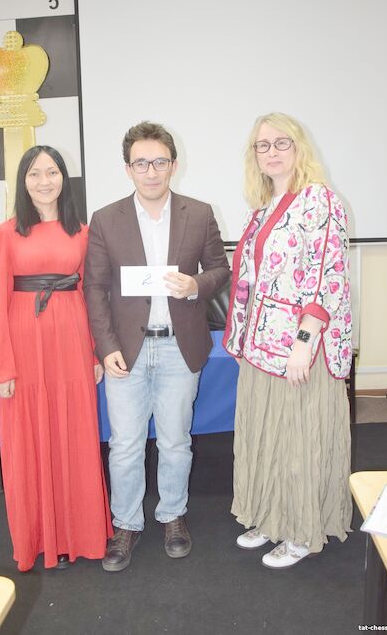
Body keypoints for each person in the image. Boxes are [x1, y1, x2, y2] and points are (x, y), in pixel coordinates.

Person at [84, 121, 230, 572]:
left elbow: (220, 269)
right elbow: (94, 287)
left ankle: (172, 515)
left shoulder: (199, 213)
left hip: (178, 348)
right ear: (128, 169)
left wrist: (195, 284)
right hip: (125, 351)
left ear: (173, 165)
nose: (151, 171)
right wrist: (105, 346)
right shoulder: (106, 219)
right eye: (141, 163)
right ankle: (126, 523)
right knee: (125, 445)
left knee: (175, 442)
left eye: (159, 162)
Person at [224, 112, 352, 569]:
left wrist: (304, 341)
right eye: (263, 145)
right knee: (267, 435)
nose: (272, 152)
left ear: (299, 148)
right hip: (261, 347)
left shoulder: (319, 200)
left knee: (299, 439)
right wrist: (240, 338)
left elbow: (327, 276)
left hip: (301, 351)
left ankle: (301, 530)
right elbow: (251, 280)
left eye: (282, 143)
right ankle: (270, 517)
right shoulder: (262, 209)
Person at [0, 145, 113, 572]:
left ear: (64, 178)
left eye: (52, 172)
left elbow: (92, 295)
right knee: (28, 439)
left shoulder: (83, 232)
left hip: (72, 343)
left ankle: (81, 535)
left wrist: (95, 352)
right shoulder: (4, 234)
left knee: (75, 434)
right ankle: (37, 537)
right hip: (24, 346)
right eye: (35, 174)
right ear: (23, 181)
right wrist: (0, 366)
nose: (45, 181)